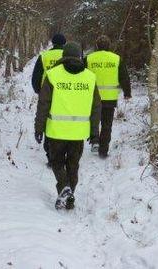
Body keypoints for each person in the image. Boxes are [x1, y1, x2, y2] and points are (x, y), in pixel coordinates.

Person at [34, 42, 101, 210]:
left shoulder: (52, 74)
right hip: (78, 133)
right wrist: (94, 133)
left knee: (57, 163)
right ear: (79, 56)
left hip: (56, 131)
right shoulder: (90, 77)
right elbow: (96, 108)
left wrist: (39, 127)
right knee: (73, 166)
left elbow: (43, 104)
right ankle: (69, 197)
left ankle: (64, 188)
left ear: (63, 55)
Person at [85, 35, 131, 158]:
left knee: (94, 121)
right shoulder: (116, 59)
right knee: (106, 124)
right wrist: (127, 93)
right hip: (110, 99)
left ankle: (94, 142)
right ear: (109, 45)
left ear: (97, 45)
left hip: (93, 97)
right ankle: (103, 150)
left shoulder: (89, 58)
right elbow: (124, 77)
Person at [31, 33, 66, 165]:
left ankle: (50, 152)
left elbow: (36, 76)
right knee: (61, 120)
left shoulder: (44, 56)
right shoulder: (68, 55)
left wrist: (38, 91)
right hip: (65, 93)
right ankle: (62, 150)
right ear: (64, 43)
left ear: (52, 42)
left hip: (47, 93)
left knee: (47, 120)